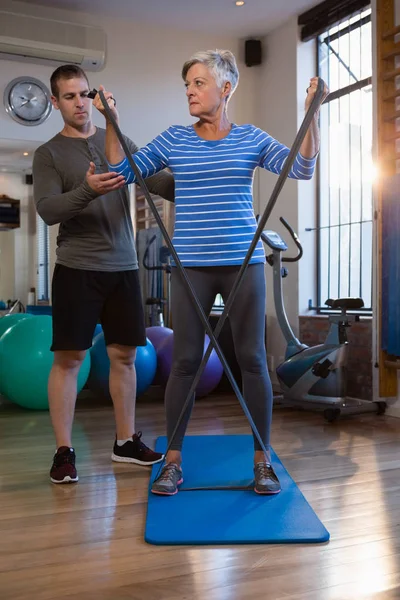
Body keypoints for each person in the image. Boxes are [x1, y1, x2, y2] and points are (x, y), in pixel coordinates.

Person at [94, 50, 328, 495]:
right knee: (184, 363)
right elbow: (123, 169)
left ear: (226, 88)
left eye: (198, 83)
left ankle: (262, 461)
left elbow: (301, 167)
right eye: (187, 85)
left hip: (243, 262)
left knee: (253, 360)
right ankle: (174, 462)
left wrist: (310, 115)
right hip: (191, 267)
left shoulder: (251, 138)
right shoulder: (175, 140)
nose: (189, 91)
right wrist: (111, 121)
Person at [32, 65, 175, 484]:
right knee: (70, 359)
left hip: (123, 266)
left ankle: (125, 441)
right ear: (56, 103)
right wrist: (87, 190)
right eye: (70, 97)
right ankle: (63, 451)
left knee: (125, 356)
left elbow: (163, 183)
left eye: (84, 94)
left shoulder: (116, 139)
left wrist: (208, 174)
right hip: (78, 266)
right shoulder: (49, 154)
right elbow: (47, 209)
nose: (80, 103)